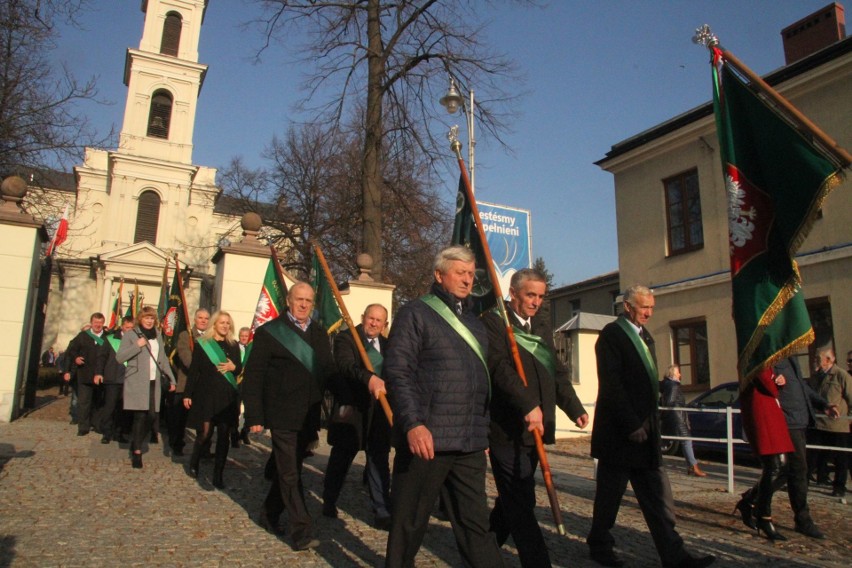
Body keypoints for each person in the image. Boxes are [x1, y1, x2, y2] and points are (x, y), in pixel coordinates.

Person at [384, 245, 504, 568]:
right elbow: (397, 372)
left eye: (471, 273)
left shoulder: (477, 325)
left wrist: (484, 431)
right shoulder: (415, 313)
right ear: (439, 275)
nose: (468, 280)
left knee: (476, 526)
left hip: (470, 443)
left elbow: (482, 382)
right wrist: (412, 423)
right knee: (409, 523)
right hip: (428, 440)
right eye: (460, 273)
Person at [587, 285, 714, 568]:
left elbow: (642, 383)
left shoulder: (646, 337)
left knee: (658, 499)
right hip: (621, 435)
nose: (649, 312)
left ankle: (675, 555)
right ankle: (599, 545)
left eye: (652, 307)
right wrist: (631, 424)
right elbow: (612, 385)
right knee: (609, 498)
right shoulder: (612, 335)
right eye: (644, 307)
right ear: (628, 307)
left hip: (647, 434)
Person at [483, 268, 589, 567]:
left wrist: (575, 407)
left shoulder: (540, 327)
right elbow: (499, 369)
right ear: (513, 293)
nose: (536, 302)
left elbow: (555, 371)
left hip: (536, 430)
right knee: (521, 500)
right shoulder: (494, 323)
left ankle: (484, 552)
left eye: (541, 296)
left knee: (511, 500)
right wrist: (528, 404)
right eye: (530, 295)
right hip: (506, 428)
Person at [242, 281, 333, 551]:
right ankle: (300, 530)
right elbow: (254, 376)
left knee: (288, 469)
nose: (304, 304)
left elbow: (328, 371)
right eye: (299, 299)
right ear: (289, 301)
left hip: (308, 415)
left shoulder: (318, 333)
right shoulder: (271, 332)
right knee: (291, 474)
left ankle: (268, 514)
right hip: (281, 414)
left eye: (308, 301)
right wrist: (254, 415)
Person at [734, 357, 837, 539]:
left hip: (799, 420)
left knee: (786, 472)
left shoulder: (790, 358)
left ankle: (750, 500)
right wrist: (777, 382)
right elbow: (766, 382)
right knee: (793, 471)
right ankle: (802, 519)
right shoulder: (769, 357)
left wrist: (823, 404)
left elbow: (800, 387)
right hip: (784, 420)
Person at [322, 303, 392, 529]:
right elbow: (345, 366)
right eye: (370, 318)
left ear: (384, 325)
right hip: (352, 408)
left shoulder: (388, 346)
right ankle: (329, 499)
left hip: (378, 411)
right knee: (341, 458)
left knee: (378, 459)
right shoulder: (347, 338)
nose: (373, 323)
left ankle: (381, 509)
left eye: (378, 320)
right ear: (363, 317)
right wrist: (368, 378)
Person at [183, 311, 242, 489]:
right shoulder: (204, 344)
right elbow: (194, 371)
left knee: (223, 437)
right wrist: (187, 394)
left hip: (226, 397)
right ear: (214, 324)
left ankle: (218, 475)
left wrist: (234, 367)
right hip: (206, 395)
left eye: (227, 323)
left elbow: (239, 369)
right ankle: (194, 462)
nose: (225, 326)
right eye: (221, 322)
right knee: (205, 434)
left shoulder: (234, 345)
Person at [116, 306, 176, 469]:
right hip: (137, 380)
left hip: (153, 381)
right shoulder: (130, 335)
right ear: (140, 319)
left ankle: (135, 442)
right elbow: (120, 357)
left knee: (151, 416)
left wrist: (171, 379)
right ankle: (137, 451)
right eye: (146, 318)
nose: (149, 321)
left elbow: (162, 359)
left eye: (151, 318)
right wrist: (137, 345)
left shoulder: (157, 335)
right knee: (140, 416)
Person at [811, 348, 852, 497]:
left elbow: (851, 397)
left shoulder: (841, 375)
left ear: (829, 360)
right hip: (819, 423)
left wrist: (849, 419)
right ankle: (815, 478)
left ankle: (839, 487)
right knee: (813, 454)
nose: (815, 361)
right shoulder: (816, 377)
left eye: (818, 359)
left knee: (841, 458)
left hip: (838, 425)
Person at [168, 308, 209, 456]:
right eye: (200, 318)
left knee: (204, 419)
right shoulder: (186, 335)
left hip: (204, 386)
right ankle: (177, 445)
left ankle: (203, 448)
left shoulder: (210, 338)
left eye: (206, 318)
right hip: (186, 383)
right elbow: (186, 358)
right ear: (195, 319)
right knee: (181, 419)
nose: (203, 321)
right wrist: (202, 370)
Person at [63, 313, 107, 436]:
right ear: (91, 322)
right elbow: (72, 349)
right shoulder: (83, 336)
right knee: (84, 402)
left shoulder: (107, 337)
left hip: (100, 375)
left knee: (98, 402)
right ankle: (83, 427)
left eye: (100, 322)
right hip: (85, 374)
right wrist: (76, 358)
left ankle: (97, 425)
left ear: (103, 323)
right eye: (95, 322)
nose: (98, 325)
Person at [94, 316, 135, 444]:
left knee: (123, 409)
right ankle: (106, 433)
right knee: (110, 407)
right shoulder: (111, 339)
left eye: (132, 328)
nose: (129, 330)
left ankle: (119, 433)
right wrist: (99, 373)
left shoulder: (137, 340)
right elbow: (101, 358)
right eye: (127, 327)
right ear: (122, 326)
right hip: (112, 378)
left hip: (128, 380)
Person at [660, 365, 706, 477]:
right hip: (677, 417)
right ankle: (693, 467)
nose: (680, 375)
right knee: (686, 440)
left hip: (674, 417)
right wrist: (680, 406)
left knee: (668, 441)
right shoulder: (673, 385)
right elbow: (669, 401)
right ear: (672, 374)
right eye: (678, 372)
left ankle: (692, 467)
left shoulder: (668, 385)